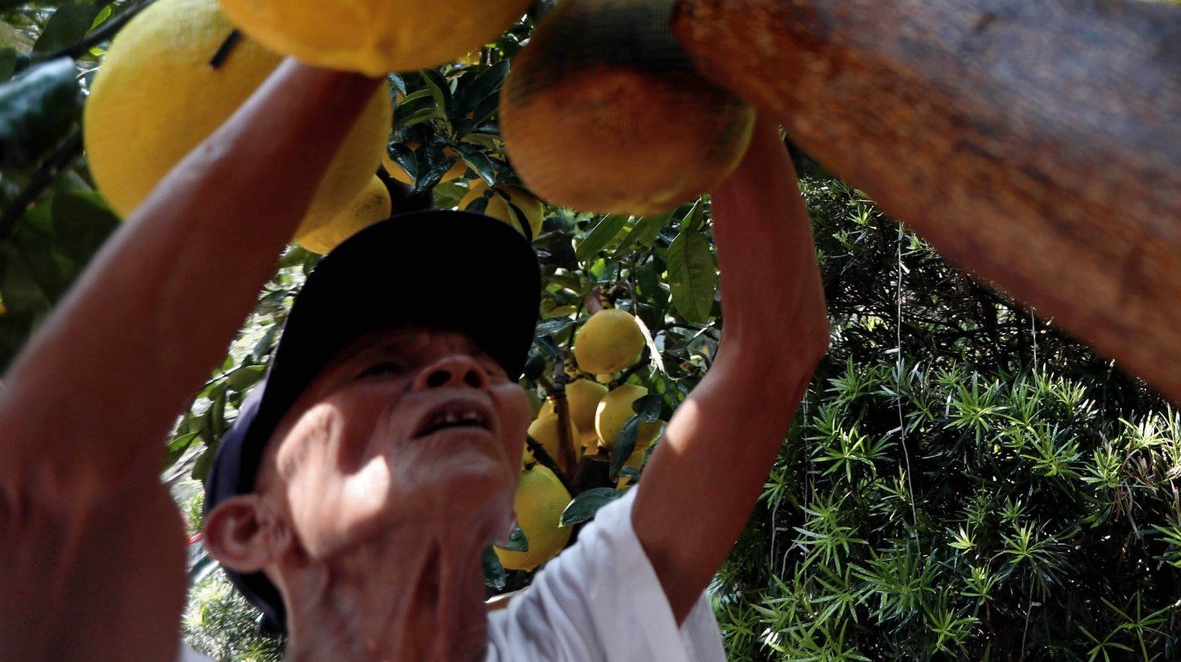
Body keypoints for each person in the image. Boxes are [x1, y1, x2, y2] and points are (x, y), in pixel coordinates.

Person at [0, 57, 829, 662]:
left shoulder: (574, 632)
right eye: (378, 366)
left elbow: (771, 349)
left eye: (478, 360)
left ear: (509, 503)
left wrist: (716, 28)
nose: (460, 370)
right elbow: (45, 473)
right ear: (252, 527)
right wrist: (361, 35)